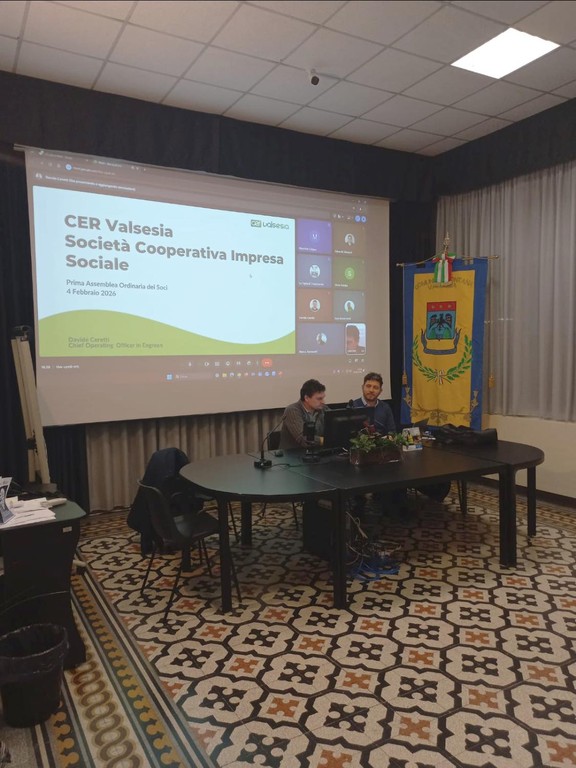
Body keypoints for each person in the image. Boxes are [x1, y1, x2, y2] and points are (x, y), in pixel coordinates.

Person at [279, 378, 327, 449]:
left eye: (323, 398)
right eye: (319, 399)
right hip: (293, 453)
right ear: (306, 398)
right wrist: (327, 440)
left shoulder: (323, 409)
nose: (323, 402)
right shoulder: (292, 410)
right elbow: (304, 439)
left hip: (317, 451)